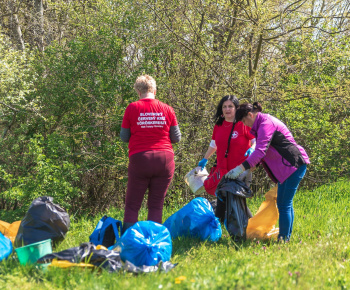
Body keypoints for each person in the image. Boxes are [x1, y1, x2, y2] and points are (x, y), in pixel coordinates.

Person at [226, 102, 310, 241]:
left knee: (284, 204)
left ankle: (284, 239)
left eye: (244, 121)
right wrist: (247, 169)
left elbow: (260, 151)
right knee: (285, 204)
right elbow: (263, 154)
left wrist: (241, 168)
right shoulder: (260, 125)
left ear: (250, 115)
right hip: (286, 168)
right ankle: (285, 238)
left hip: (293, 165)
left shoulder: (266, 124)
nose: (245, 125)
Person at [120, 75, 181, 233]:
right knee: (156, 204)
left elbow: (124, 137)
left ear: (138, 92)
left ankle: (129, 243)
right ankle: (154, 242)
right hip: (164, 159)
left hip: (140, 159)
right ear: (154, 90)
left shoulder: (132, 108)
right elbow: (176, 138)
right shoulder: (168, 109)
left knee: (133, 205)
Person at [198, 95, 255, 222]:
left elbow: (255, 140)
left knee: (237, 199)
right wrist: (205, 159)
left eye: (230, 106)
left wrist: (253, 148)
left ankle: (250, 225)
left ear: (236, 108)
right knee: (222, 198)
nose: (227, 109)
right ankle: (221, 227)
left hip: (240, 170)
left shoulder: (243, 124)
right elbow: (214, 145)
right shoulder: (218, 126)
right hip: (222, 170)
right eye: (224, 106)